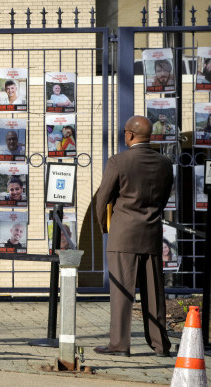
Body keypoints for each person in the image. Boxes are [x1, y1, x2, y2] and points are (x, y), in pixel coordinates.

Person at [95, 115, 173, 358]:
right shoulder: (164, 163)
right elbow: (164, 197)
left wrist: (104, 227)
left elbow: (102, 199)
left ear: (129, 135)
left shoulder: (118, 161)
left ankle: (119, 344)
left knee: (122, 292)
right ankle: (161, 345)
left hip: (123, 235)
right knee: (154, 292)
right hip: (151, 233)